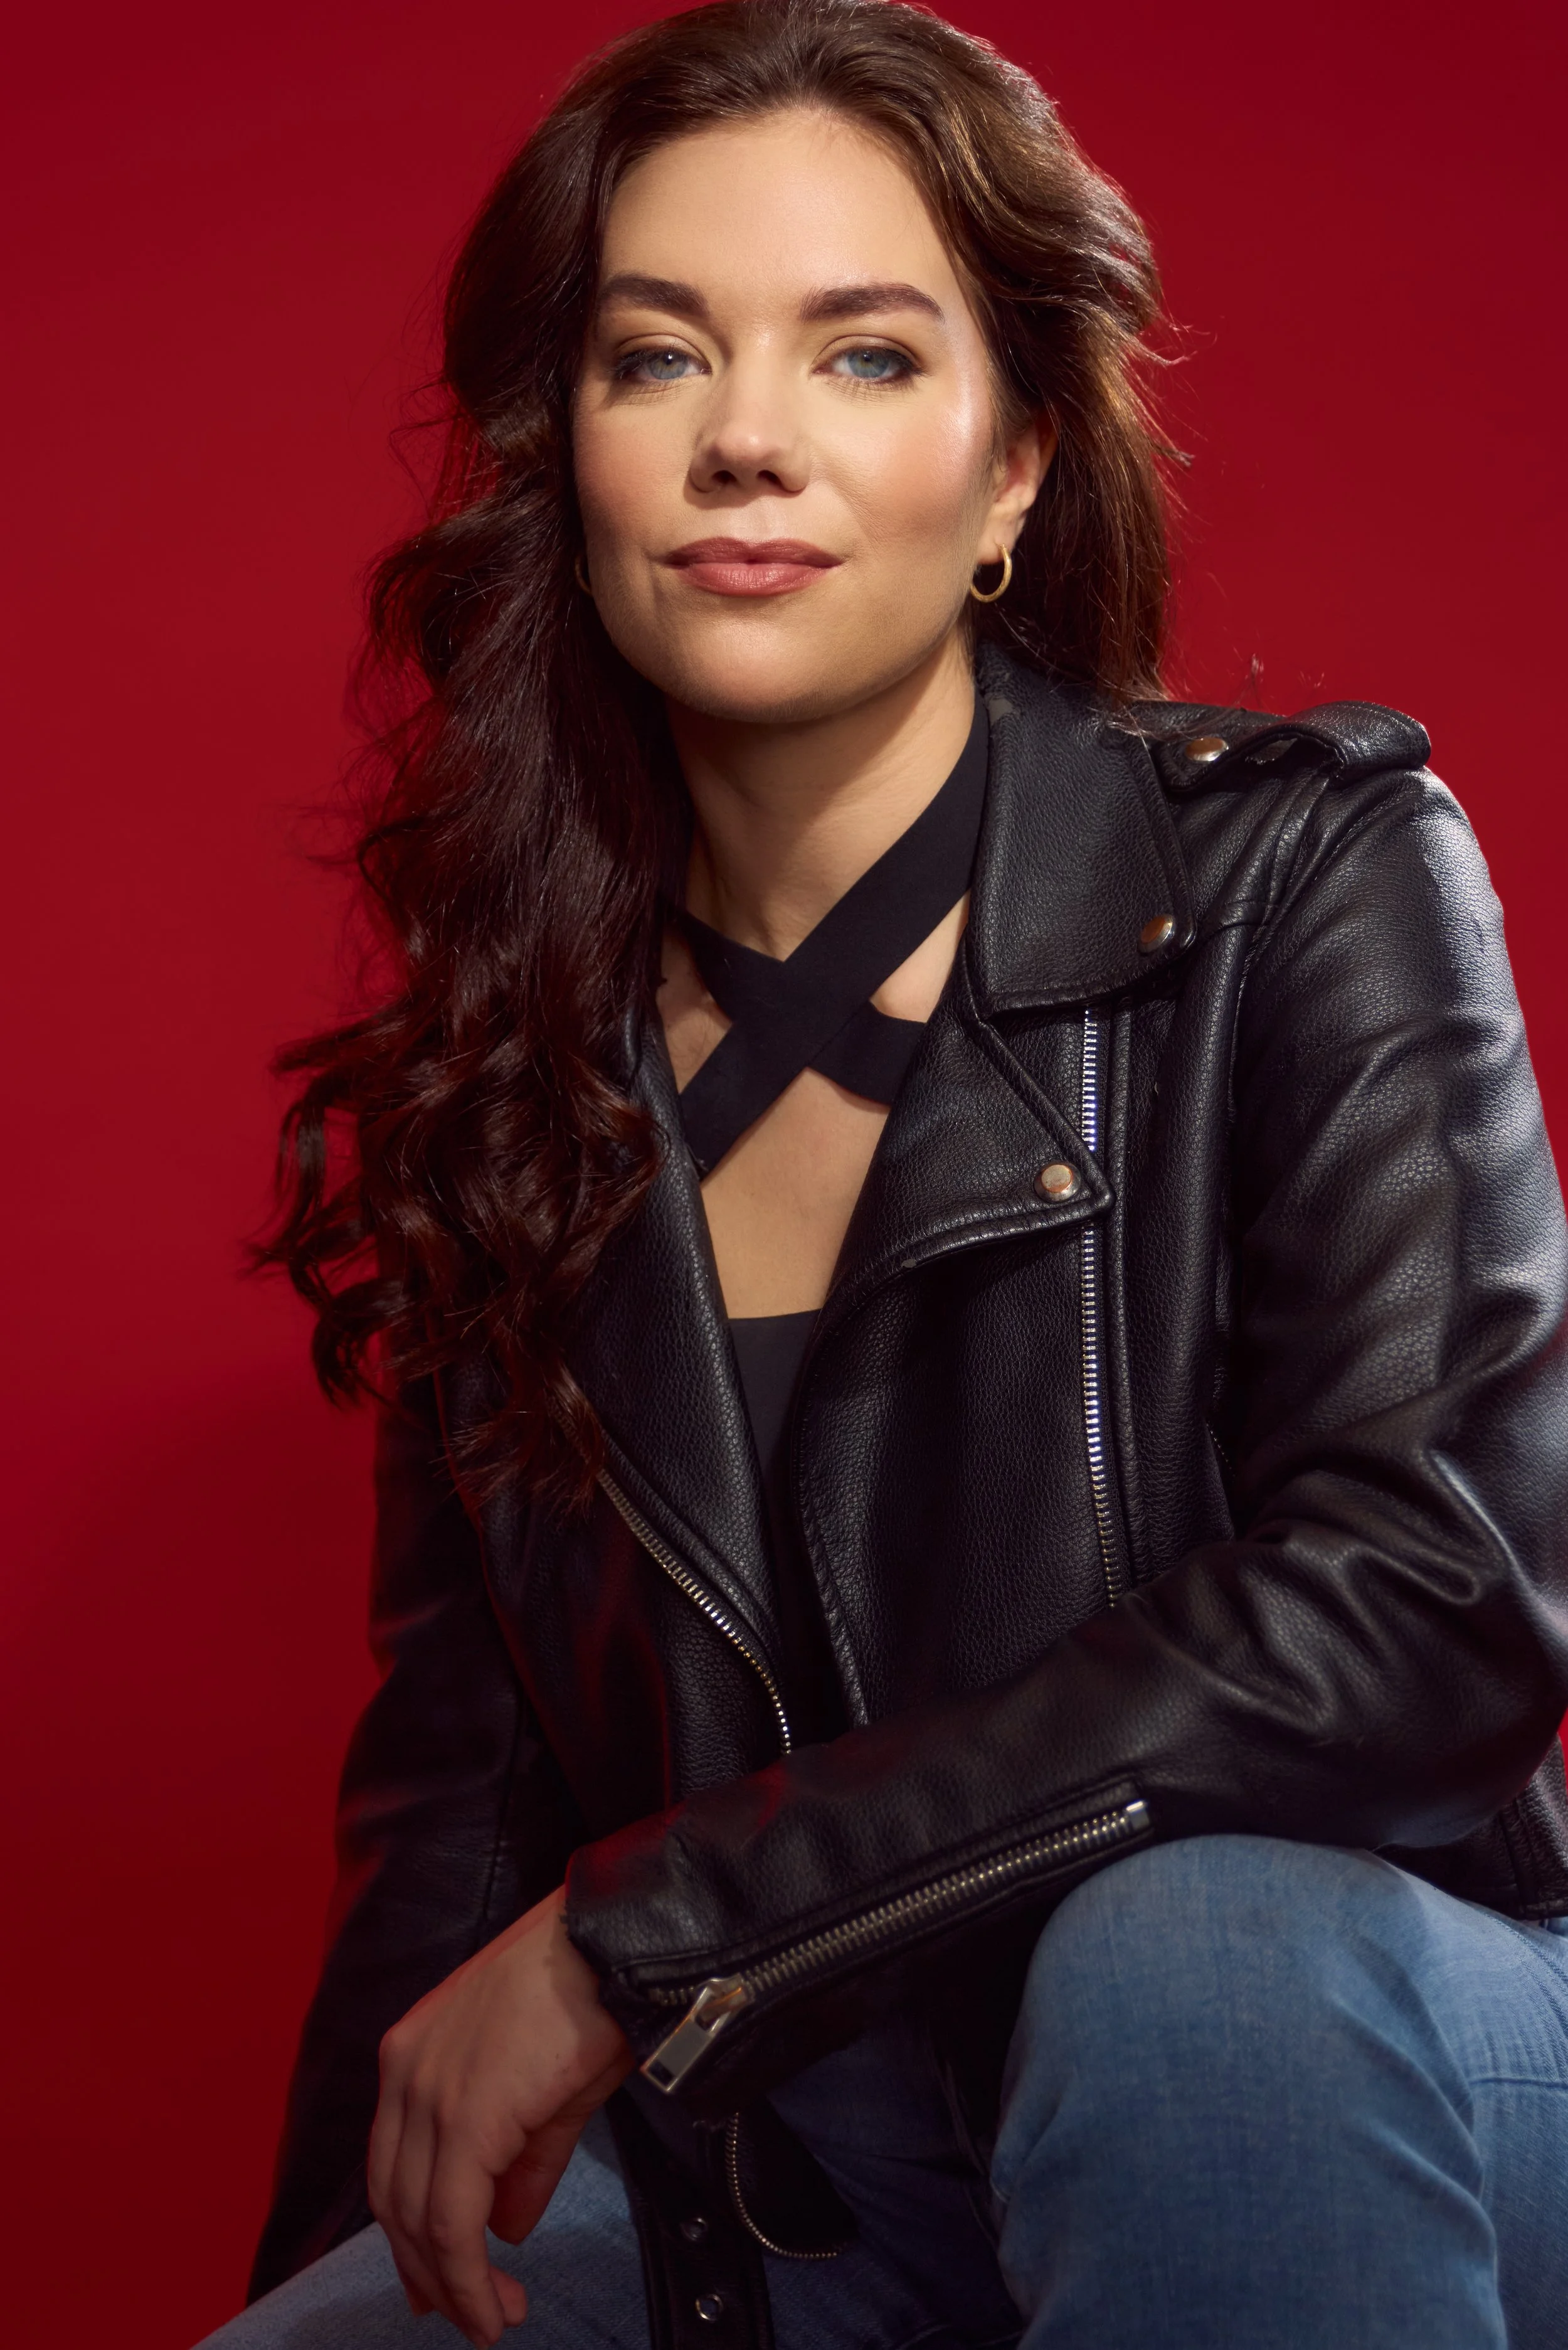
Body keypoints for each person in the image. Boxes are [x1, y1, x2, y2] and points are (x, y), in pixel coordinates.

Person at [201, 4, 1568, 2346]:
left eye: (859, 356)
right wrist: (367, 2256)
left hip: (1358, 2064)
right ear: (569, 459)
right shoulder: (517, 1073)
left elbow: (1429, 1598)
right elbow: (456, 1836)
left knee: (1190, 1968)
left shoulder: (1293, 876)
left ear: (1016, 459)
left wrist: (675, 1920)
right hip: (823, 2183)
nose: (748, 439)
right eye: (656, 361)